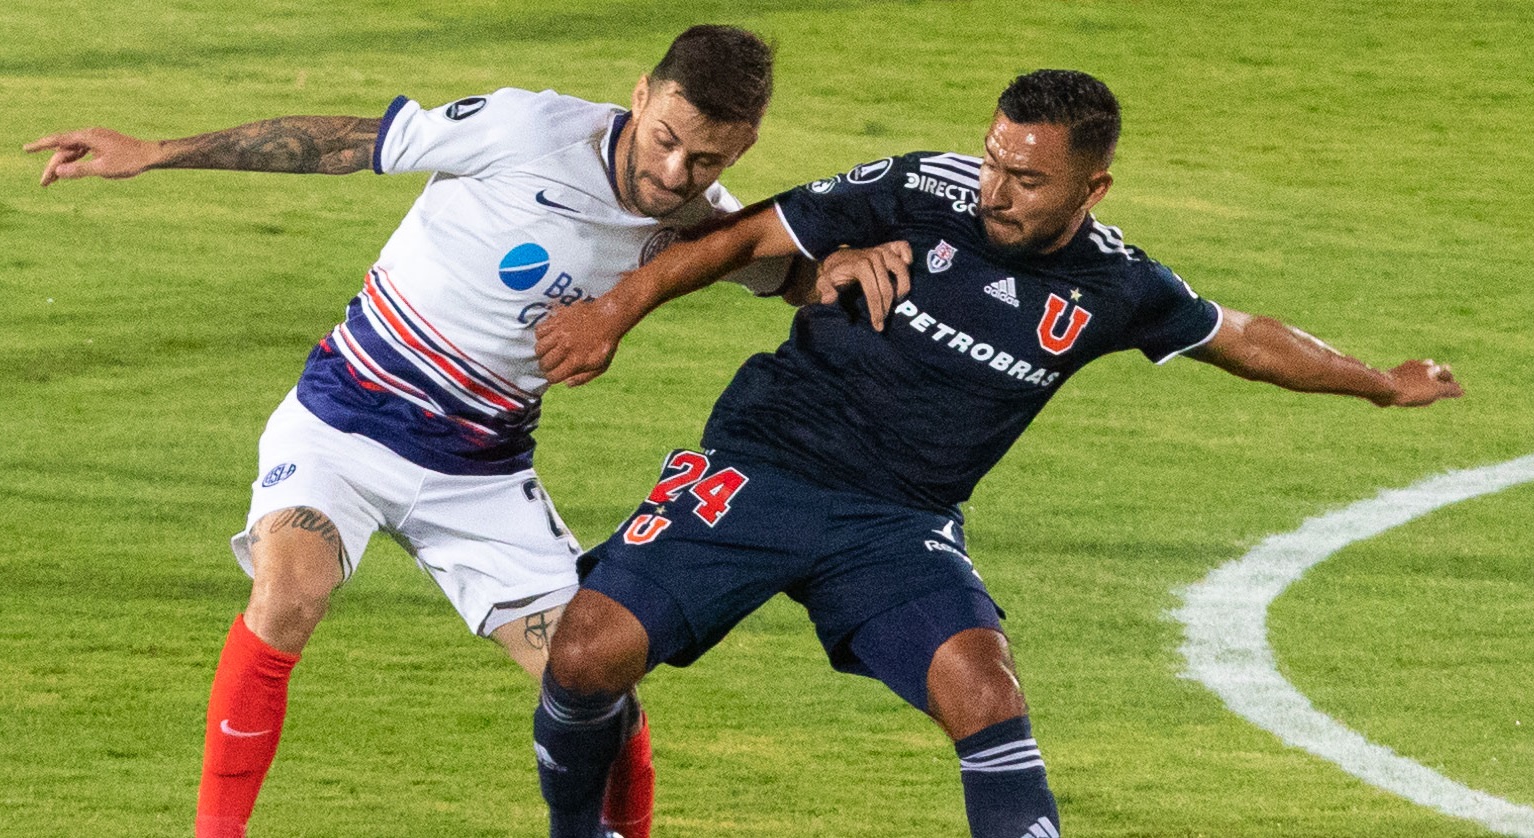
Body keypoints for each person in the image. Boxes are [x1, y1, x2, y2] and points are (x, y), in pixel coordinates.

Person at [528, 69, 1463, 838]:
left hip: (898, 524)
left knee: (986, 693)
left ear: (1092, 189)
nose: (995, 191)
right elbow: (748, 234)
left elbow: (1245, 336)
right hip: (762, 467)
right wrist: (615, 314)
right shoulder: (922, 188)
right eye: (993, 161)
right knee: (585, 653)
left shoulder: (1117, 286)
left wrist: (1381, 381)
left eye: (1027, 179)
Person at [26, 25, 810, 838]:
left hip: (483, 473)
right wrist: (154, 151)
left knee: (592, 680)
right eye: (666, 141)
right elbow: (350, 142)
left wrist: (854, 259)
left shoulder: (703, 225)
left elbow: (795, 270)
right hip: (342, 427)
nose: (673, 173)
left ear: (743, 147)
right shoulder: (528, 131)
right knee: (290, 589)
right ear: (641, 94)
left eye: (708, 161)